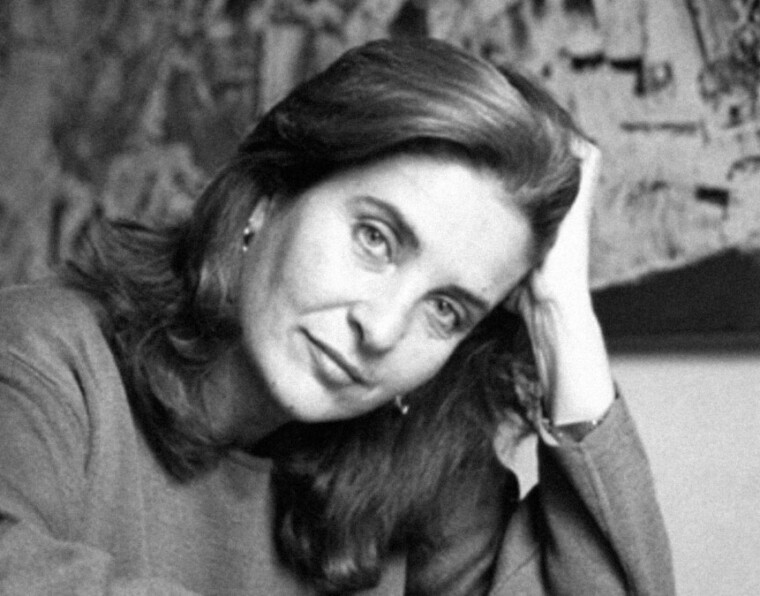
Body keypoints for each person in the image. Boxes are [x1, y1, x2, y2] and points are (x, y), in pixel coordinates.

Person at [0, 37, 674, 595]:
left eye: (446, 310)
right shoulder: (41, 353)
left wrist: (563, 313)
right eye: (375, 239)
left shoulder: (419, 465)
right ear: (270, 194)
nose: (381, 331)